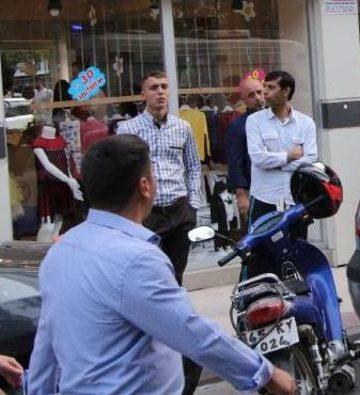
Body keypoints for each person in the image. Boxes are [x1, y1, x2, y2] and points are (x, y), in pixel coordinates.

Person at [27, 135, 296, 395]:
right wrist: (266, 373)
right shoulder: (137, 259)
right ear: (145, 186)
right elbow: (192, 334)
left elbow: (45, 348)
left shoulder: (61, 252)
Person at [117, 70, 202, 393]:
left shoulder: (182, 127)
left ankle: (171, 341)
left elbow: (194, 166)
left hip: (179, 212)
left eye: (165, 87)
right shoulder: (128, 130)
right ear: (143, 94)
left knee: (174, 279)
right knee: (147, 277)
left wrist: (193, 204)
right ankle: (148, 338)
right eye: (153, 88)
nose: (160, 93)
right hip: (147, 214)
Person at [246, 70, 318, 231]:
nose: (264, 92)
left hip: (294, 200)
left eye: (271, 87)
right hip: (264, 198)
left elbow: (311, 159)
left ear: (286, 91)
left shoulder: (305, 123)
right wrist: (289, 156)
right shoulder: (254, 121)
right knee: (260, 253)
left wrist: (278, 163)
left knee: (296, 250)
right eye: (264, 86)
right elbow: (258, 158)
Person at [227, 78, 266, 219]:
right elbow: (234, 161)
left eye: (259, 92)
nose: (257, 97)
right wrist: (241, 194)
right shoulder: (238, 126)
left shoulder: (275, 120)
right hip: (253, 189)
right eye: (251, 95)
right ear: (243, 98)